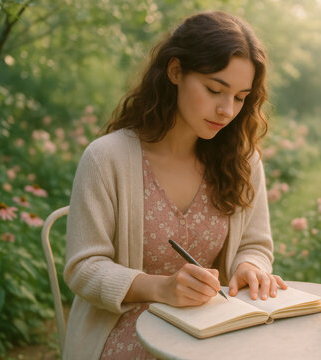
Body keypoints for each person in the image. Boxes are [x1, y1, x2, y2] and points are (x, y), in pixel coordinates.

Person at [63, 10, 287, 360]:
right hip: (126, 332)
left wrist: (250, 268)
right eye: (215, 89)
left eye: (241, 97)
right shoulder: (106, 158)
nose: (227, 110)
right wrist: (161, 288)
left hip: (213, 331)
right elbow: (83, 268)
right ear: (175, 71)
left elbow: (255, 244)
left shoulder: (241, 160)